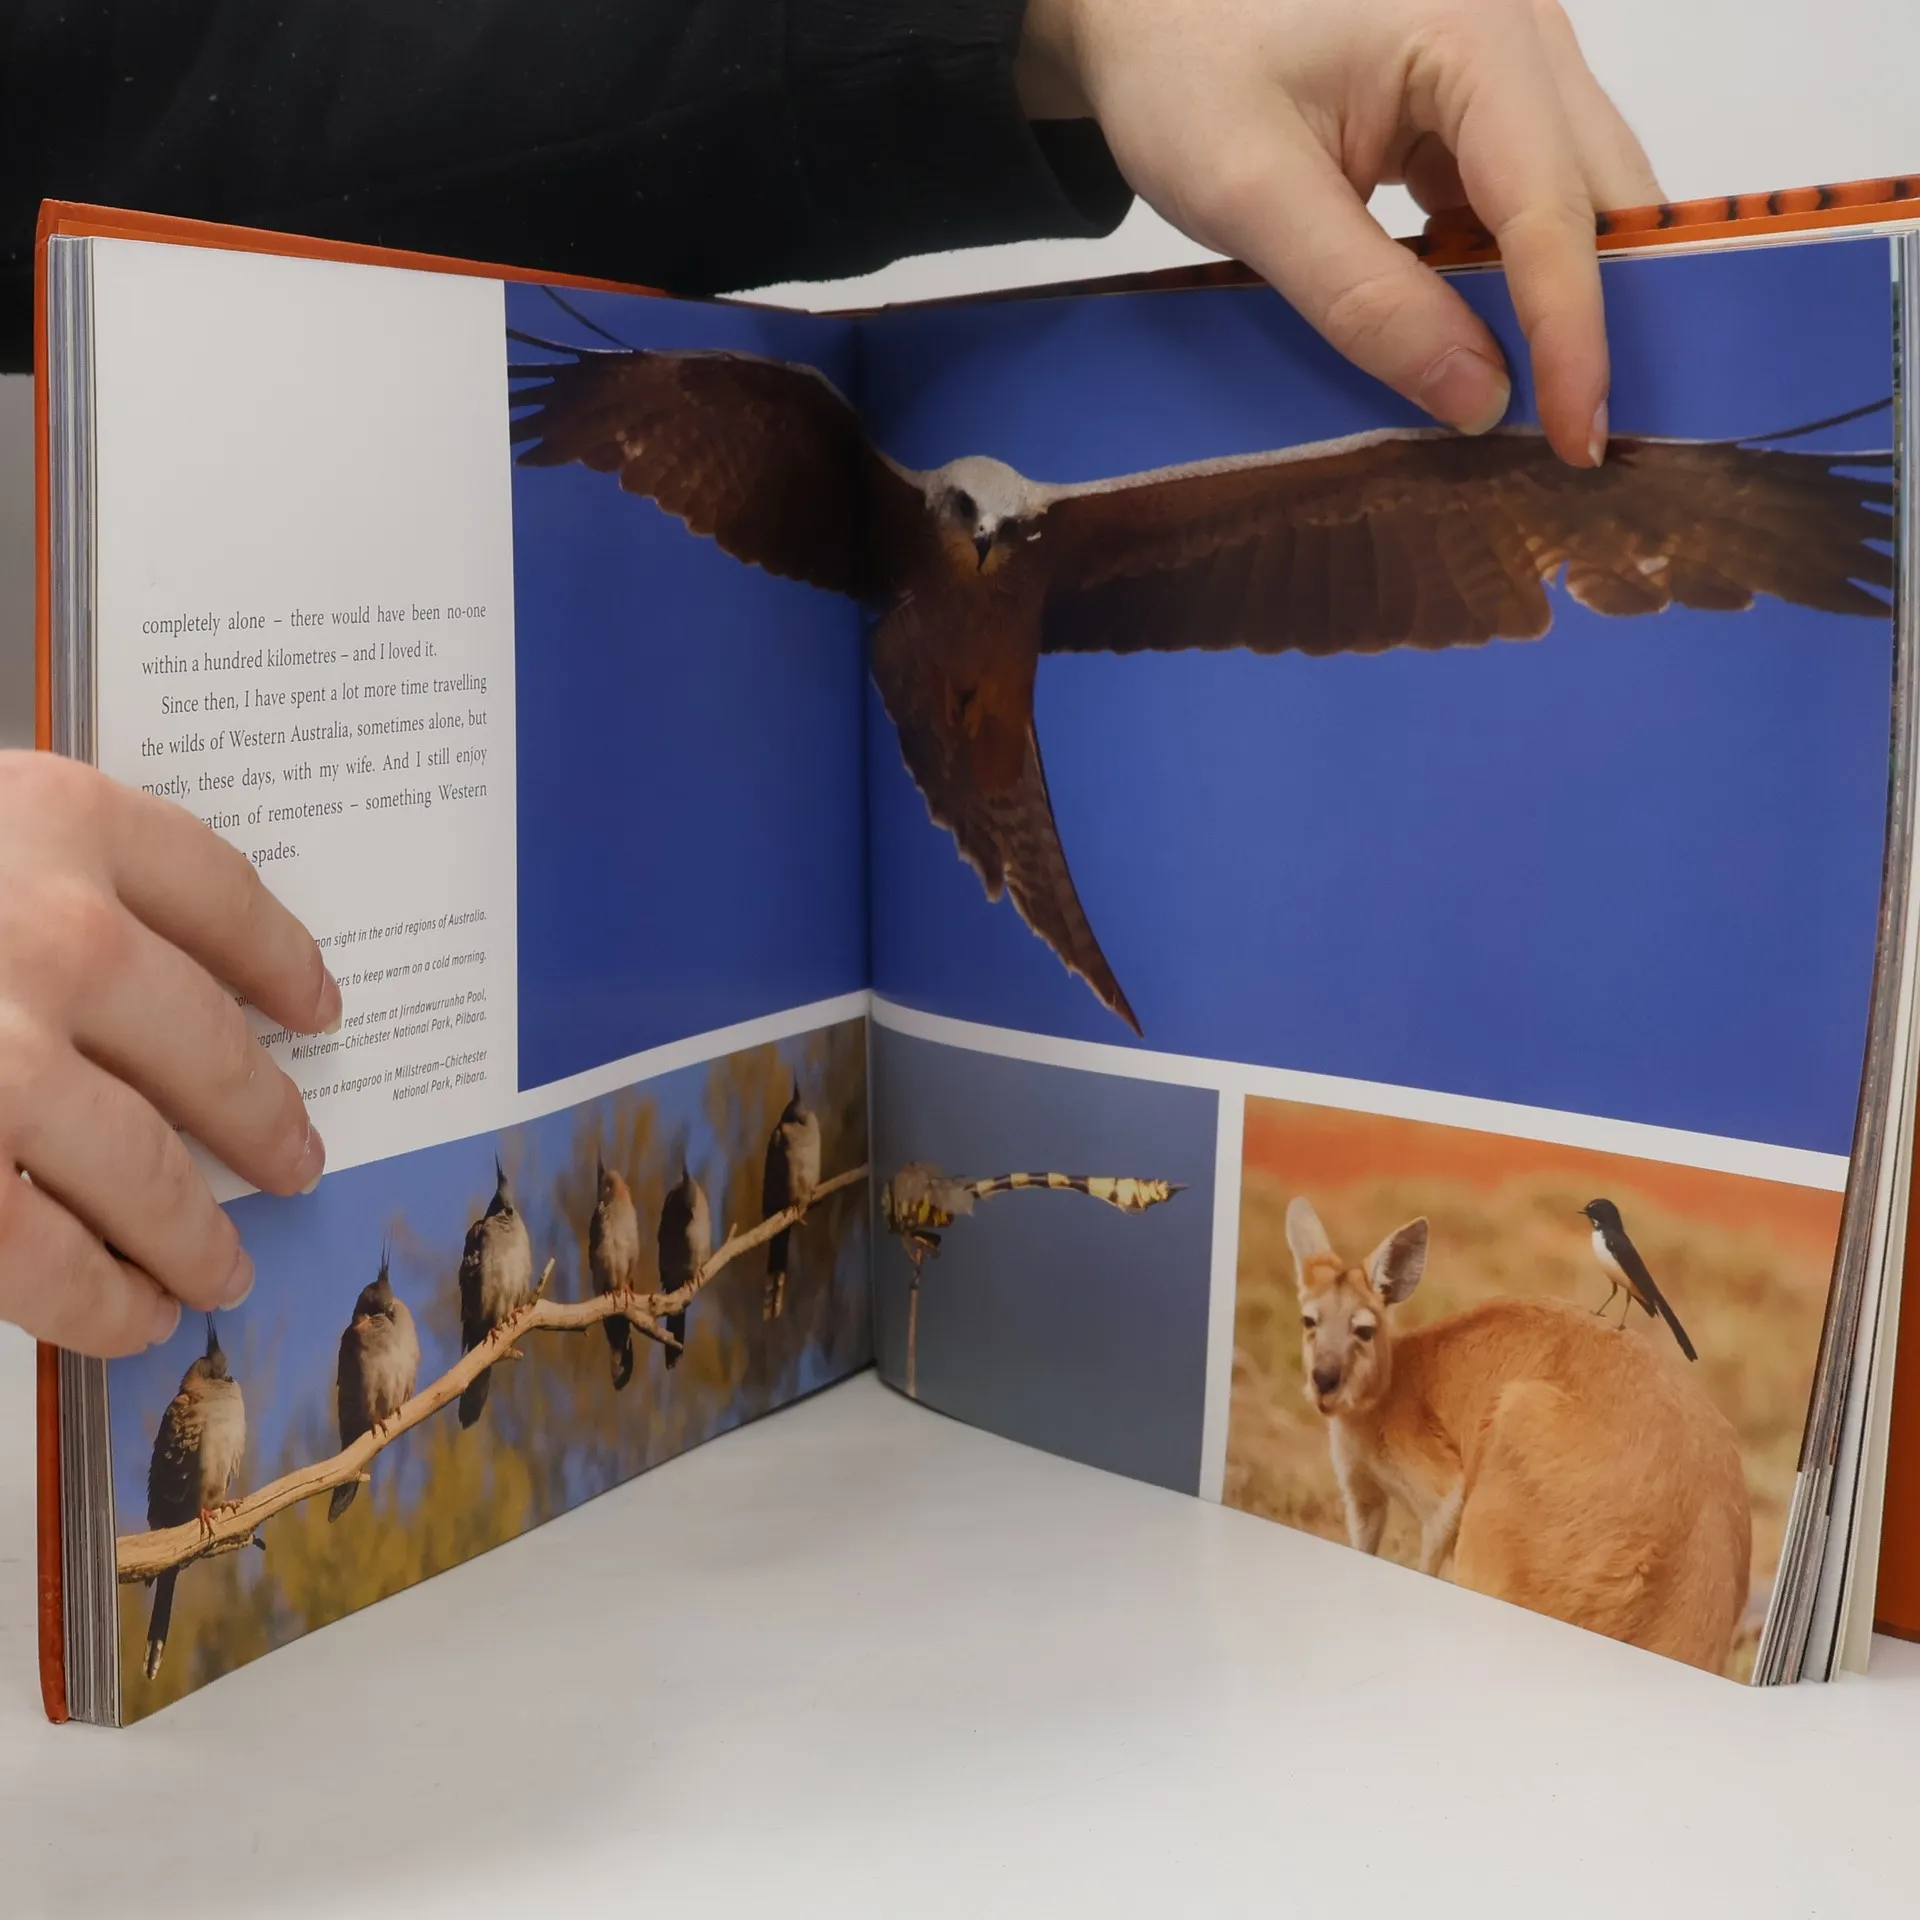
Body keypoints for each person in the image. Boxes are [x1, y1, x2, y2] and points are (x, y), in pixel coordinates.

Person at [0, 0, 1659, 1356]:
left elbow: (187, 82)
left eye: (1004, 535)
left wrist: (1065, 18)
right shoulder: (861, 480)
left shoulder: (1061, 538)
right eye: (967, 527)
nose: (987, 545)